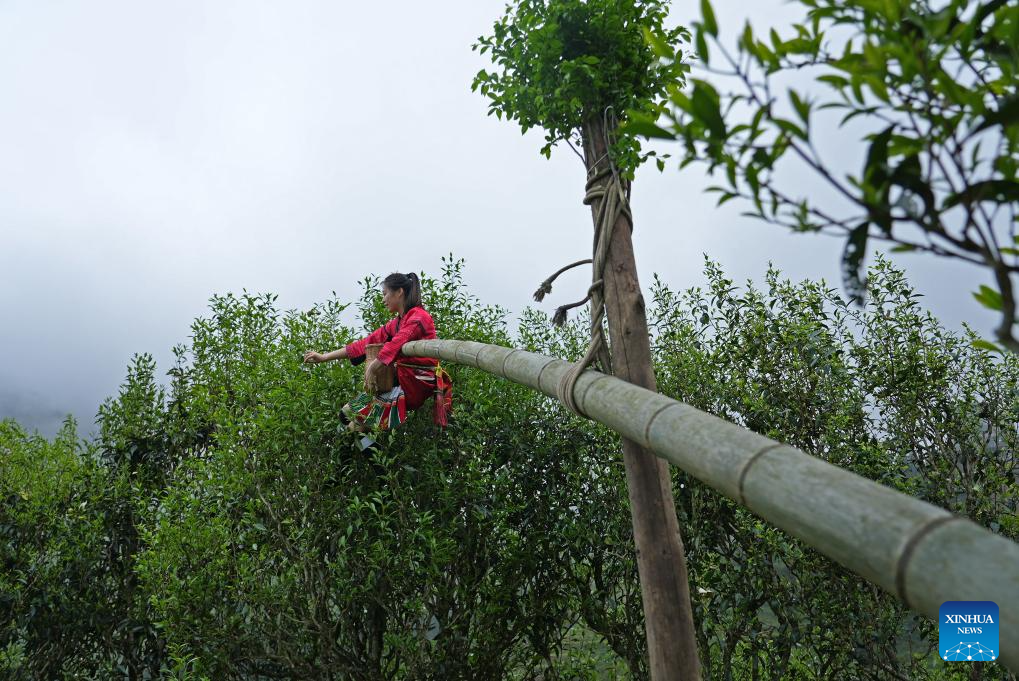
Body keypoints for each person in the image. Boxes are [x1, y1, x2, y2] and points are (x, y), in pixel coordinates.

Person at [303, 272, 452, 451]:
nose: (383, 299)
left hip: (416, 383)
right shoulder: (396, 323)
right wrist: (324, 357)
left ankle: (381, 463)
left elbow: (397, 343)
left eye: (385, 294)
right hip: (401, 380)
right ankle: (381, 465)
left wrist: (373, 368)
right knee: (352, 427)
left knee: (347, 414)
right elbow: (366, 343)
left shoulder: (419, 317)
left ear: (399, 292)